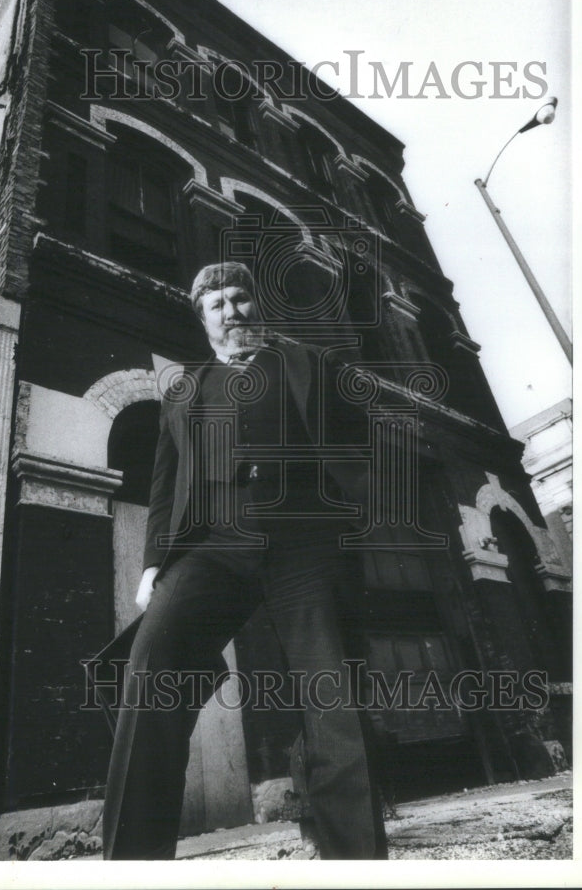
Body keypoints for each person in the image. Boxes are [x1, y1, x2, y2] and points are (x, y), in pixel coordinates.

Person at [101, 261, 387, 860]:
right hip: (214, 546)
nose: (231, 311)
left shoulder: (310, 362)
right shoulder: (183, 390)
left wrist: (349, 509)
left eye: (240, 299)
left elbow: (360, 438)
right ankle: (131, 861)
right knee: (150, 664)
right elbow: (164, 485)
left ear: (256, 305)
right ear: (203, 318)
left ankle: (355, 860)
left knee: (332, 695)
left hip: (305, 541)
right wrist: (153, 566)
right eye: (217, 304)